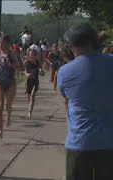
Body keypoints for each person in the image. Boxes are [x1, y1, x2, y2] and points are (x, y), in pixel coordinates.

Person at [58, 23, 113, 180]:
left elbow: (66, 98)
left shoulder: (65, 72)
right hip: (110, 142)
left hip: (80, 142)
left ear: (71, 45)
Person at [0, 34, 22, 138]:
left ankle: (8, 116)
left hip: (10, 82)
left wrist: (10, 64)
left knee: (8, 105)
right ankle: (0, 130)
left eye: (2, 43)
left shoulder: (13, 54)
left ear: (8, 44)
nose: (0, 45)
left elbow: (20, 67)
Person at [23, 49, 44, 118]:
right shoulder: (27, 63)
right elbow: (25, 72)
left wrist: (41, 72)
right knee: (29, 97)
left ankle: (30, 112)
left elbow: (40, 70)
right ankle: (30, 106)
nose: (32, 56)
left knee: (32, 96)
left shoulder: (37, 62)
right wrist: (27, 74)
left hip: (35, 81)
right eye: (31, 55)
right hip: (28, 82)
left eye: (34, 55)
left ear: (36, 56)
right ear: (29, 55)